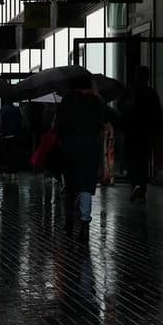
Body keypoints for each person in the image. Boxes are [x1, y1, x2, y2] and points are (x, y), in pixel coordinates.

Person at [56, 75, 113, 241]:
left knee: (70, 184)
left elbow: (60, 125)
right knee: (86, 186)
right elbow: (107, 118)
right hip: (91, 147)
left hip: (70, 147)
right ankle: (85, 224)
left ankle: (68, 220)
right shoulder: (96, 101)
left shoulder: (67, 100)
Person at [118, 66, 163, 202]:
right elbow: (157, 114)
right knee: (143, 161)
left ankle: (135, 185)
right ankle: (141, 188)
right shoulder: (151, 93)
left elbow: (120, 106)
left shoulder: (129, 91)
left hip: (131, 131)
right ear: (147, 77)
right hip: (146, 133)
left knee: (131, 160)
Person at [0, 98, 22, 176]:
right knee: (14, 154)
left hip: (5, 135)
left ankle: (7, 171)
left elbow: (0, 122)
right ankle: (14, 171)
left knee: (6, 154)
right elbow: (20, 122)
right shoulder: (17, 110)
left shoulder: (2, 110)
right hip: (15, 135)